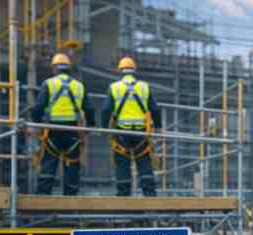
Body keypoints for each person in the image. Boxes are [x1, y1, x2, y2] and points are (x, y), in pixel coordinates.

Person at [30, 53, 95, 195]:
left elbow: (38, 108)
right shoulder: (79, 86)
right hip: (72, 131)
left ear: (54, 68)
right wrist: (89, 127)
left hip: (53, 130)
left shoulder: (49, 84)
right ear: (68, 68)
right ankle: (70, 205)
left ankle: (42, 203)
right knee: (72, 166)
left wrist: (37, 124)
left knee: (48, 165)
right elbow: (89, 109)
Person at [101, 56, 162, 197]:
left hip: (122, 134)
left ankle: (123, 199)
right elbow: (155, 109)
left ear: (120, 70)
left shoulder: (114, 87)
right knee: (144, 165)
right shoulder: (143, 87)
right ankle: (150, 199)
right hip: (141, 134)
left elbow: (105, 110)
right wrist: (158, 127)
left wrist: (104, 128)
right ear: (134, 70)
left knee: (122, 165)